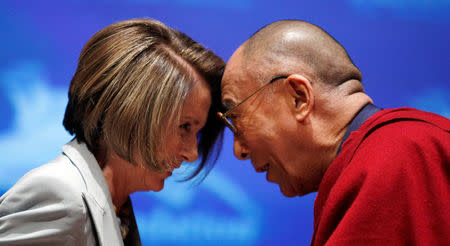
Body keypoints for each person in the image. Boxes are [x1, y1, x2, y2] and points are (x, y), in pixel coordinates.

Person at [219, 20, 449, 245]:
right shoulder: (381, 154)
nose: (239, 150)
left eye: (236, 119)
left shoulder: (399, 155)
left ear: (299, 98)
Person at [0, 18, 225, 245]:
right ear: (130, 111)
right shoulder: (58, 196)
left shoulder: (116, 207)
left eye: (196, 132)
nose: (192, 153)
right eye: (184, 126)